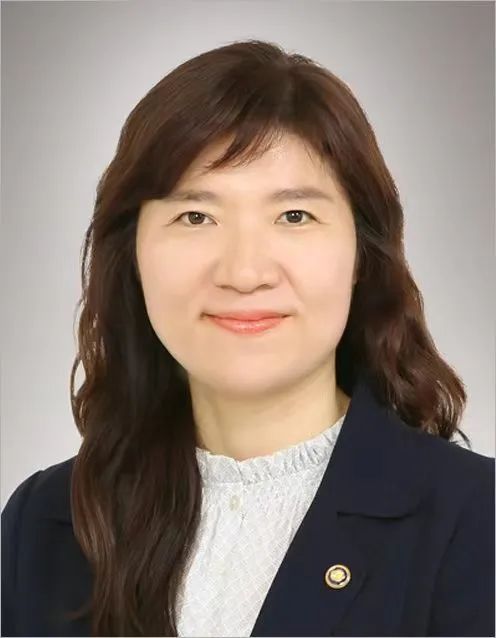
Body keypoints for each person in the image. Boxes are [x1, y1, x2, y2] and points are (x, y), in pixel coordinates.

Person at [1, 38, 494, 638]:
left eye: (294, 216)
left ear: (363, 255)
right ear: (131, 255)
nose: (243, 272)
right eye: (195, 217)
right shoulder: (45, 523)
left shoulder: (475, 520)